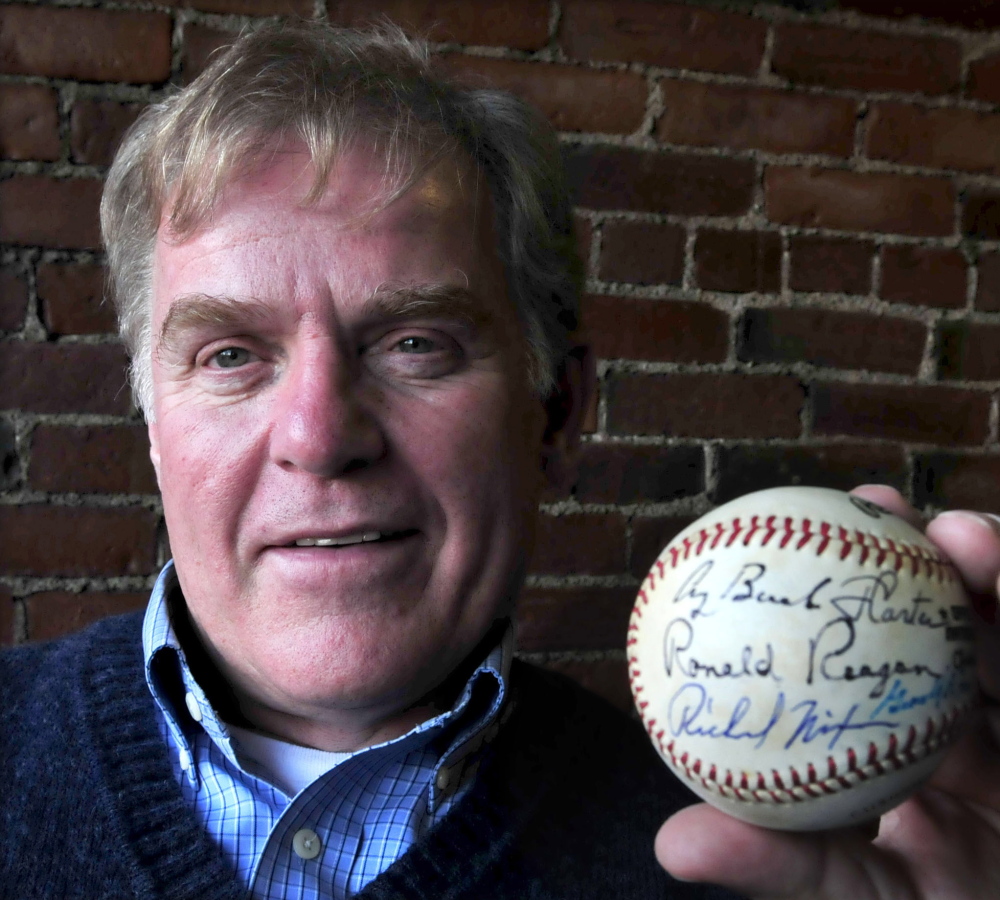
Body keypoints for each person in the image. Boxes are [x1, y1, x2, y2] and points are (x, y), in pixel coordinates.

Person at [0, 18, 997, 900]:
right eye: (229, 356)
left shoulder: (740, 870)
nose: (317, 436)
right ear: (152, 428)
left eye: (413, 344)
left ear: (555, 416)